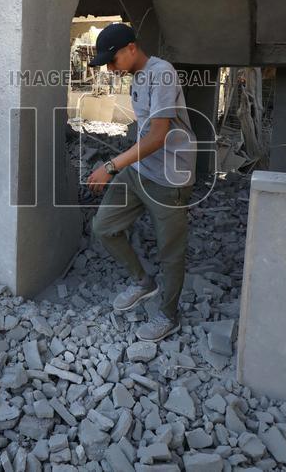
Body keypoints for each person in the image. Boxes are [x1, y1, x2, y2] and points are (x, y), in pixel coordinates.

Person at [86, 22, 196, 342]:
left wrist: (111, 166)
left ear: (131, 48)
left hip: (169, 178)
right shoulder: (137, 78)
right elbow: (145, 130)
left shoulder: (162, 73)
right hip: (140, 171)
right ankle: (143, 282)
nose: (110, 68)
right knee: (103, 227)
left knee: (170, 252)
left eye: (113, 60)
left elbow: (158, 136)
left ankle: (168, 315)